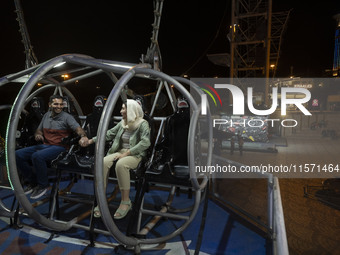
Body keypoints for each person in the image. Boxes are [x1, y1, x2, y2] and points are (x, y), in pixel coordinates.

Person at [86, 99, 150, 219]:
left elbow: (145, 143)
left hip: (135, 154)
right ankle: (101, 199)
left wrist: (126, 153)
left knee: (121, 164)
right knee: (102, 162)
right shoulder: (123, 123)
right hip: (120, 152)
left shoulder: (143, 124)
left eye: (123, 109)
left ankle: (126, 202)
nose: (121, 111)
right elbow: (109, 134)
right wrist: (91, 141)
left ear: (131, 110)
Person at [16, 95, 89, 200]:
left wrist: (83, 136)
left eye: (61, 104)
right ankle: (33, 182)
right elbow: (39, 130)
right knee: (18, 154)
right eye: (56, 104)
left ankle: (43, 185)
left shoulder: (67, 117)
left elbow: (79, 129)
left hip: (60, 148)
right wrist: (38, 134)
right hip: (45, 145)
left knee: (37, 156)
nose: (59, 106)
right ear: (50, 104)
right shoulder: (46, 116)